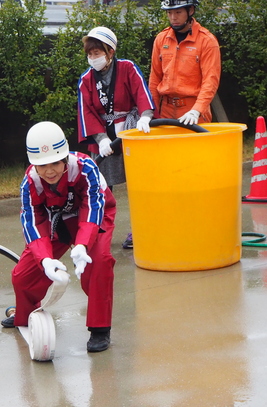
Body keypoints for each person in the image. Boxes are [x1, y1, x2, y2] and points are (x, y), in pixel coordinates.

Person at [2, 121, 117, 353]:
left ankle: (99, 328)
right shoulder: (30, 183)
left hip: (93, 219)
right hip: (56, 221)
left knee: (99, 262)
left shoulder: (87, 168)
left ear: (65, 158)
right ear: (33, 164)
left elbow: (93, 207)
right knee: (23, 276)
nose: (50, 171)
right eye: (42, 165)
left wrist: (83, 245)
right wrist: (44, 259)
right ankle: (24, 316)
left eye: (55, 162)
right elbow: (33, 224)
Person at [77, 26, 156, 250]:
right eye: (90, 54)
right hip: (103, 137)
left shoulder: (128, 68)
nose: (93, 58)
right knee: (100, 188)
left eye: (97, 53)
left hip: (131, 132)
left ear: (110, 51)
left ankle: (141, 230)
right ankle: (98, 231)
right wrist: (101, 139)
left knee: (139, 185)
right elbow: (87, 112)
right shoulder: (85, 80)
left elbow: (142, 93)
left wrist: (146, 116)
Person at [149, 0, 221, 126]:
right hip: (166, 110)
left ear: (191, 10)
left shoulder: (206, 41)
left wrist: (197, 110)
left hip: (194, 110)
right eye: (169, 12)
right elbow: (155, 78)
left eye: (178, 12)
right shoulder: (161, 39)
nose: (173, 17)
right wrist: (151, 111)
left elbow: (210, 81)